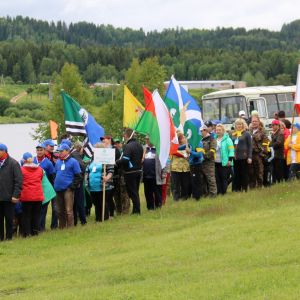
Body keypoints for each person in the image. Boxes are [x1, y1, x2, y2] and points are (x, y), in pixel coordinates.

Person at [116, 128, 143, 214]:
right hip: (138, 171)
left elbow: (125, 159)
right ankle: (135, 210)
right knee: (136, 192)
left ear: (127, 135)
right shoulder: (139, 145)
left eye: (124, 135)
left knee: (133, 192)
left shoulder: (128, 146)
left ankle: (137, 211)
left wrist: (116, 162)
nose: (124, 136)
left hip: (130, 172)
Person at [54, 144, 82, 229]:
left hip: (68, 189)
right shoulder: (58, 162)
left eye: (61, 151)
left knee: (68, 210)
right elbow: (56, 174)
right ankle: (62, 228)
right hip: (58, 189)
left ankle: (70, 228)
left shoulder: (73, 161)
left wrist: (71, 187)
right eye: (59, 151)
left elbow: (79, 176)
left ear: (67, 151)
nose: (60, 153)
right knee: (59, 210)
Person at [0, 143, 23, 241]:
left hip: (9, 198)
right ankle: (1, 238)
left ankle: (9, 238)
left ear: (4, 151)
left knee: (9, 219)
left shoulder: (13, 163)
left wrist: (15, 195)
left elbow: (19, 181)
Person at [20, 152, 44, 237]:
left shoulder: (21, 169)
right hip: (38, 195)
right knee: (36, 215)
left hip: (26, 195)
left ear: (24, 160)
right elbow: (41, 179)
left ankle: (26, 233)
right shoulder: (40, 169)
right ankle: (35, 232)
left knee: (26, 215)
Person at [33, 143, 56, 231]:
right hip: (34, 189)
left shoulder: (48, 163)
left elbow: (52, 176)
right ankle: (35, 227)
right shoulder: (32, 160)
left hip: (44, 189)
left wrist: (50, 188)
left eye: (41, 150)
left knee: (43, 209)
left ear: (44, 151)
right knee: (36, 209)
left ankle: (41, 228)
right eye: (37, 150)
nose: (39, 152)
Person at [142, 141, 166, 210]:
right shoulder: (144, 149)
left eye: (148, 139)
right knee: (148, 193)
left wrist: (164, 173)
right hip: (146, 175)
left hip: (156, 175)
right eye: (146, 139)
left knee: (157, 192)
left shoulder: (159, 149)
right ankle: (150, 208)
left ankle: (158, 207)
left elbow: (164, 161)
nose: (147, 141)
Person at [231, 118, 252, 192]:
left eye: (240, 124)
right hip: (236, 157)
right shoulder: (234, 134)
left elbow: (250, 146)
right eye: (237, 124)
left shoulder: (246, 134)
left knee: (244, 174)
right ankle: (237, 189)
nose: (239, 125)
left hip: (244, 156)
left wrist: (249, 157)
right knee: (236, 174)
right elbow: (231, 145)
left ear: (243, 125)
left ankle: (245, 188)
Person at [249, 116, 269, 188]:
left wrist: (263, 153)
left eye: (255, 121)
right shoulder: (249, 131)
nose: (254, 122)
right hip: (250, 155)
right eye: (253, 121)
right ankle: (252, 188)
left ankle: (260, 187)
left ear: (258, 122)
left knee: (259, 172)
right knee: (251, 172)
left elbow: (266, 142)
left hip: (258, 154)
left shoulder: (262, 131)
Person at [70, 141, 87, 226]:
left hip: (73, 181)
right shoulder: (76, 154)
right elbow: (82, 167)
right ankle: (82, 221)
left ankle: (75, 221)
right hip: (77, 182)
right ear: (80, 148)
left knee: (74, 203)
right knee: (79, 202)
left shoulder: (73, 154)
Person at [170, 132, 191, 201]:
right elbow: (173, 152)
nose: (185, 139)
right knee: (176, 185)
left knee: (185, 184)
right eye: (184, 138)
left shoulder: (188, 146)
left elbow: (189, 156)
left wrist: (188, 151)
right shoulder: (174, 147)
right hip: (176, 168)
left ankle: (184, 198)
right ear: (180, 139)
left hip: (185, 168)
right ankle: (176, 199)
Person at [215, 124, 234, 195]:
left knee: (224, 178)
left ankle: (224, 192)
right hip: (216, 162)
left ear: (223, 131)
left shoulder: (228, 139)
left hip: (225, 162)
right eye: (217, 130)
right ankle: (219, 192)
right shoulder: (214, 139)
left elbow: (231, 151)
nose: (218, 131)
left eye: (219, 130)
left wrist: (230, 160)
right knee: (217, 178)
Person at [43, 139, 58, 229]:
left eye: (53, 146)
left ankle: (54, 226)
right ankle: (41, 226)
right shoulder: (42, 157)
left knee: (56, 208)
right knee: (43, 208)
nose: (52, 147)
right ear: (45, 147)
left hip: (54, 185)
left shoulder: (55, 156)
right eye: (50, 145)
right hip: (45, 186)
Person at [113, 138, 130, 215]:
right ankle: (118, 210)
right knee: (116, 194)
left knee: (124, 193)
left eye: (118, 143)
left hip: (123, 174)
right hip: (115, 175)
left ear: (120, 144)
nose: (116, 144)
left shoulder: (123, 151)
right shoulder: (113, 151)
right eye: (115, 143)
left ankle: (125, 210)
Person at [200, 124, 217, 197]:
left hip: (209, 162)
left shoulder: (211, 139)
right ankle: (205, 193)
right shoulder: (200, 139)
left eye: (201, 131)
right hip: (201, 162)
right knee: (203, 178)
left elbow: (212, 150)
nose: (200, 133)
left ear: (205, 130)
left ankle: (213, 193)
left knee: (210, 178)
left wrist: (204, 156)